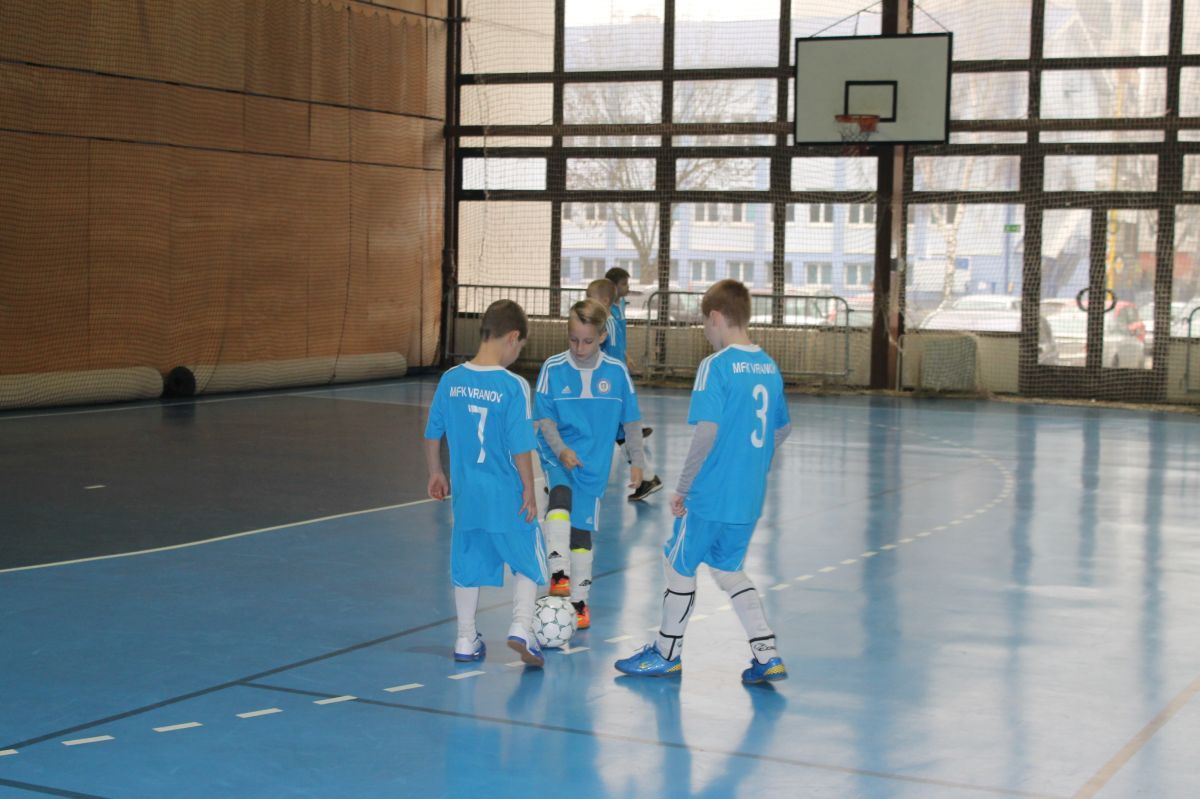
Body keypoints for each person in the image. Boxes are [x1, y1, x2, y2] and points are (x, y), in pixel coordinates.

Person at [614, 279, 792, 683]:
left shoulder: (717, 366)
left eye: (704, 325)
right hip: (748, 497)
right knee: (728, 569)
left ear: (715, 317)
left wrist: (683, 487)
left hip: (711, 494)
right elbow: (781, 429)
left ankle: (666, 653)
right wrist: (749, 462)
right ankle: (767, 653)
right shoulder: (769, 366)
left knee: (677, 563)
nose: (705, 333)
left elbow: (706, 432)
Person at [423, 299, 547, 668]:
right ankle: (522, 626)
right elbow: (520, 444)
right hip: (505, 494)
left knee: (466, 562)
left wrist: (435, 471)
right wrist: (529, 489)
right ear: (512, 337)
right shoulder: (513, 386)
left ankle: (465, 638)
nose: (517, 354)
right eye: (520, 347)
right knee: (528, 558)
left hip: (467, 497)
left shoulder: (451, 379)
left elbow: (432, 432)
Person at [535, 298, 648, 630]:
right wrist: (561, 450)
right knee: (559, 495)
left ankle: (580, 602)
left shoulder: (616, 373)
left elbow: (631, 421)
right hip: (557, 452)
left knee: (581, 532)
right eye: (573, 340)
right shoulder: (553, 368)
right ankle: (558, 573)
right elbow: (544, 419)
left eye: (587, 341)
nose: (579, 348)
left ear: (602, 337)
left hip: (593, 465)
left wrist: (636, 462)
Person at [588, 274, 663, 502]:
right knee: (615, 435)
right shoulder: (610, 320)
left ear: (603, 301)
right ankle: (648, 478)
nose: (586, 302)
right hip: (611, 388)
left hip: (608, 390)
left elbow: (605, 358)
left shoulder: (605, 324)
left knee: (595, 432)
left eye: (589, 298)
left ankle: (566, 481)